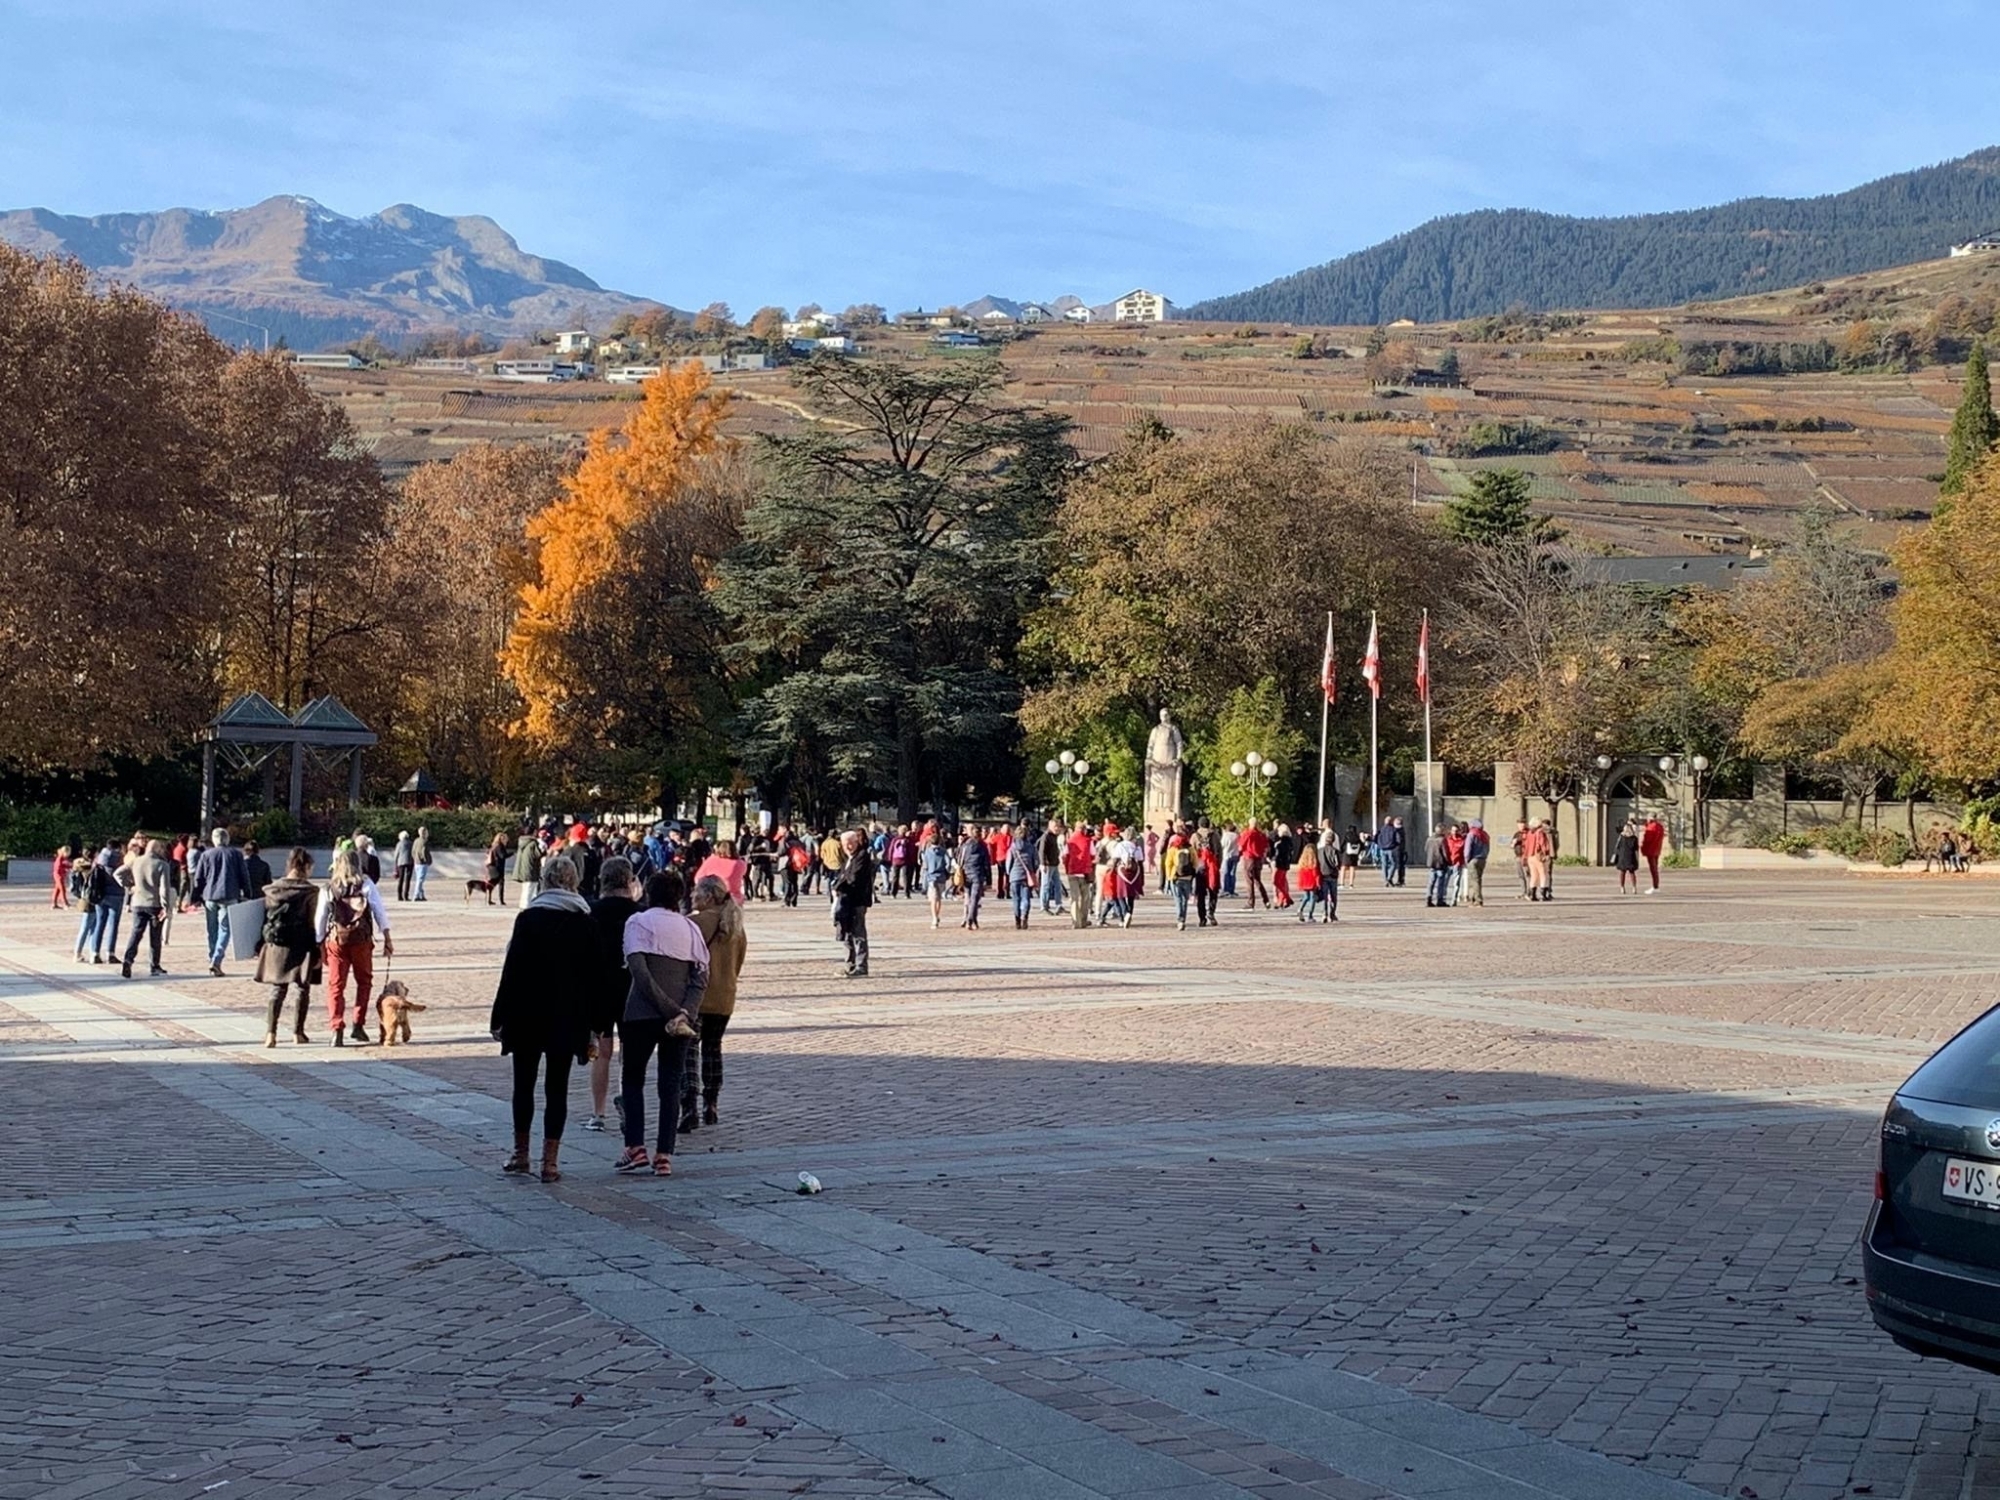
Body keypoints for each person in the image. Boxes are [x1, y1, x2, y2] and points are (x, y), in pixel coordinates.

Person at [490, 854, 598, 1182]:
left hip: (527, 1013)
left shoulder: (529, 918)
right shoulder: (585, 920)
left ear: (546, 880)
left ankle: (520, 1153)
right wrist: (593, 1023)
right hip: (567, 1016)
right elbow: (593, 979)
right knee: (557, 1088)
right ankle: (550, 1162)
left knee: (523, 1085)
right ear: (573, 881)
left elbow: (512, 971)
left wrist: (499, 1015)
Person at [615, 868, 709, 1177]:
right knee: (670, 1084)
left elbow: (639, 972)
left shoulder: (637, 922)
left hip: (640, 1013)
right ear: (679, 896)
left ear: (649, 893)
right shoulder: (690, 928)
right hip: (680, 1018)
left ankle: (635, 1147)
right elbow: (700, 976)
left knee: (633, 1079)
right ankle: (664, 1154)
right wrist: (685, 1012)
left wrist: (667, 1008)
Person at [682, 874, 747, 1130]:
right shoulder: (735, 926)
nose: (691, 895)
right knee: (712, 1048)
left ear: (708, 896)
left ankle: (689, 1104)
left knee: (688, 1049)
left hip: (697, 997)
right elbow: (737, 964)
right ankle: (712, 1103)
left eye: (696, 891)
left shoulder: (696, 923)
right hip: (724, 997)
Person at [583, 856, 642, 1135]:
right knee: (629, 1053)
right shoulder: (640, 913)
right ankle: (628, 1102)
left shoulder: (591, 912)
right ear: (629, 881)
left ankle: (598, 1113)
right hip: (632, 987)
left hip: (599, 988)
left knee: (602, 1053)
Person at [316, 844, 394, 1045]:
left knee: (336, 985)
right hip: (361, 940)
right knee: (364, 982)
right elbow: (379, 911)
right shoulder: (366, 884)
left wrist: (319, 943)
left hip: (337, 940)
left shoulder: (329, 888)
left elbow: (320, 919)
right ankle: (358, 1024)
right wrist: (386, 937)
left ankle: (337, 1029)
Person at [255, 847, 320, 1045]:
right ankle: (297, 1032)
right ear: (306, 867)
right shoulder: (310, 891)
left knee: (277, 988)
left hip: (277, 943)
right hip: (302, 944)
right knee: (302, 988)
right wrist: (318, 950)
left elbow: (263, 917)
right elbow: (312, 922)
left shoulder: (272, 889)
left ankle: (270, 1033)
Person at [190, 828, 251, 978]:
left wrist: (195, 897)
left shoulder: (206, 854)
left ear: (214, 839)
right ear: (227, 839)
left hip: (209, 896)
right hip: (229, 895)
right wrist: (248, 893)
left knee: (212, 929)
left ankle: (213, 957)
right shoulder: (236, 854)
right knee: (225, 929)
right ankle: (216, 960)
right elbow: (244, 875)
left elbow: (199, 878)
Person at [117, 838, 175, 979]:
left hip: (138, 902)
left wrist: (129, 886)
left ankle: (128, 960)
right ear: (158, 849)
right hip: (154, 904)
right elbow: (164, 888)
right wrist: (166, 906)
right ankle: (154, 965)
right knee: (155, 936)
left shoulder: (136, 861)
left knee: (136, 933)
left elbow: (118, 873)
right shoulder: (162, 864)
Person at [832, 830, 875, 975]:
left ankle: (861, 966)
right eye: (845, 844)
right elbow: (843, 876)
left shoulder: (862, 856)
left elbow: (853, 878)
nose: (848, 846)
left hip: (857, 900)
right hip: (846, 901)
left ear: (856, 842)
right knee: (847, 932)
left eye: (850, 843)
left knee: (858, 934)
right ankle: (849, 964)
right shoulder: (848, 858)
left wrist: (838, 886)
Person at [956, 825, 990, 930]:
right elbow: (986, 863)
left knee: (969, 898)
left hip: (966, 873)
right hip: (977, 874)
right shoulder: (982, 846)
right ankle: (970, 920)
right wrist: (988, 879)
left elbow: (959, 857)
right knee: (974, 899)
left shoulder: (965, 844)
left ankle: (971, 919)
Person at [1162, 828, 1197, 931]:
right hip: (1187, 877)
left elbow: (1168, 864)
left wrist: (1169, 877)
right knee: (1185, 900)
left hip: (1175, 877)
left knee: (1178, 899)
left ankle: (1180, 919)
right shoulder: (1190, 848)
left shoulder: (1172, 849)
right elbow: (1195, 862)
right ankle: (1183, 919)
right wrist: (1192, 873)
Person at [696, 839, 749, 905]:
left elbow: (698, 877)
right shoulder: (740, 863)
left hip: (710, 897)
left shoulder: (711, 860)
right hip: (733, 898)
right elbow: (743, 873)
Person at [1063, 822, 1096, 929]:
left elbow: (1064, 856)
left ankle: (1075, 922)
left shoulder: (1069, 841)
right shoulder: (1088, 841)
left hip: (1072, 871)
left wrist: (1067, 868)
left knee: (1074, 898)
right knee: (1085, 898)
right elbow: (1093, 855)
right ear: (1084, 829)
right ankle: (1083, 920)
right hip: (1085, 872)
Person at [1006, 822, 1038, 929]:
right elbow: (1035, 862)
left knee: (1016, 899)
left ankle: (1017, 920)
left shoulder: (1012, 848)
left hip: (1015, 876)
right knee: (1026, 898)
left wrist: (1010, 873)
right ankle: (1025, 916)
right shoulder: (1031, 847)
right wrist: (1032, 870)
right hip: (1026, 876)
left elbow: (1008, 864)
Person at [919, 830, 952, 929]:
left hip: (931, 877)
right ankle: (937, 915)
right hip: (941, 876)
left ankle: (934, 917)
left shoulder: (928, 852)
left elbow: (925, 865)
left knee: (933, 899)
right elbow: (948, 863)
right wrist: (947, 871)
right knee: (939, 899)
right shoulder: (943, 851)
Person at [1238, 819, 1271, 910]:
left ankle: (1250, 903)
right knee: (1258, 880)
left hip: (1249, 858)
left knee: (1249, 881)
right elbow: (1266, 847)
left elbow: (1241, 846)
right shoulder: (1261, 834)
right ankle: (1266, 900)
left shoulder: (1247, 834)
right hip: (1258, 859)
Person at [1037, 820, 1066, 917]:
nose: (1057, 828)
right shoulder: (1046, 836)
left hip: (1054, 864)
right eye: (1055, 826)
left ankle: (1059, 905)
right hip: (1047, 865)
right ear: (1050, 826)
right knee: (1045, 886)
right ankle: (1044, 906)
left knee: (1057, 885)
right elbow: (1042, 851)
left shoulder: (1055, 836)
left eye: (1058, 826)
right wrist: (1042, 863)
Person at [514, 830, 544, 910]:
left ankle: (523, 905)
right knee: (530, 889)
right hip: (531, 870)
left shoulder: (522, 842)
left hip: (523, 869)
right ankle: (526, 907)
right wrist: (544, 849)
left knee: (525, 889)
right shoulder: (533, 843)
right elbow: (538, 854)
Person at [1462, 819, 1489, 906]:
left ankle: (1478, 900)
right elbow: (1487, 848)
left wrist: (1466, 859)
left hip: (1473, 859)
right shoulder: (1485, 835)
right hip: (1482, 859)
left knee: (1474, 880)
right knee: (1478, 880)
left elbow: (1467, 848)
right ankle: (1474, 899)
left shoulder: (1471, 834)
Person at [1425, 824, 1453, 908]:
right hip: (1440, 863)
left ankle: (1428, 898)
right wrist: (1449, 862)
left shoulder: (1429, 839)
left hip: (1431, 863)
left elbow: (1426, 849)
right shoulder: (1442, 840)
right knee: (1440, 883)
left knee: (1431, 882)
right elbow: (1445, 853)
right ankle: (1439, 900)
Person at [1612, 819, 1642, 894]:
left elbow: (1617, 847)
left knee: (1622, 872)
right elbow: (1636, 848)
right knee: (1632, 873)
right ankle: (1634, 888)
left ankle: (1622, 888)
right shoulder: (1634, 838)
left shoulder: (1621, 837)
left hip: (1622, 857)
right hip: (1631, 857)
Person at [1639, 815, 1666, 893]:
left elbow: (1647, 839)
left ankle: (1655, 886)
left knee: (1653, 869)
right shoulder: (1660, 827)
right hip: (1657, 849)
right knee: (1655, 869)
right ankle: (1656, 885)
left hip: (1650, 850)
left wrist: (1642, 848)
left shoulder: (1651, 827)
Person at [484, 831, 509, 906]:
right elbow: (502, 856)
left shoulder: (494, 845)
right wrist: (511, 854)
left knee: (492, 883)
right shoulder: (499, 846)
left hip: (492, 866)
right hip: (497, 867)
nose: (505, 840)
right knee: (500, 883)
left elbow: (488, 853)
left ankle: (489, 899)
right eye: (504, 839)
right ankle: (501, 900)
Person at [1376, 818, 1401, 888]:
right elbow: (1398, 839)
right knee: (1394, 864)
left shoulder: (1381, 829)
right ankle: (1389, 878)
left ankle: (1385, 880)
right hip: (1391, 849)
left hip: (1382, 849)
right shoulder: (1394, 829)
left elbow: (1377, 838)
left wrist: (1380, 845)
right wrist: (1395, 845)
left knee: (1384, 865)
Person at [410, 825, 433, 901]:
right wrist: (428, 860)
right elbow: (424, 852)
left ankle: (421, 895)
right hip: (422, 863)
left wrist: (415, 858)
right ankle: (416, 895)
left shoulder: (416, 841)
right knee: (420, 880)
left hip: (416, 862)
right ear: (425, 833)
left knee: (419, 879)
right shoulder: (424, 841)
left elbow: (413, 851)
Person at [391, 830, 414, 901]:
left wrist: (395, 863)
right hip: (410, 862)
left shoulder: (399, 844)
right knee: (408, 880)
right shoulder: (411, 843)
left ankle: (399, 896)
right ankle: (406, 896)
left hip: (401, 863)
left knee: (401, 879)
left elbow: (396, 855)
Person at [51, 844, 70, 909]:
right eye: (68, 853)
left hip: (59, 875)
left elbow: (64, 865)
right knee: (62, 889)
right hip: (58, 876)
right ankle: (64, 903)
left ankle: (54, 904)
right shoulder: (60, 858)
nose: (68, 855)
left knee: (57, 890)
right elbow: (58, 867)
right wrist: (66, 868)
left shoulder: (62, 858)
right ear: (64, 852)